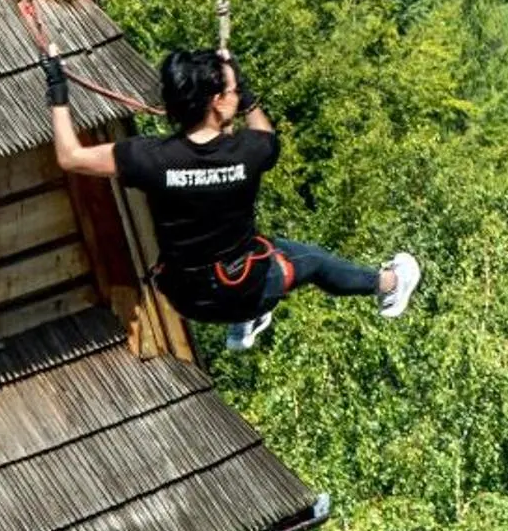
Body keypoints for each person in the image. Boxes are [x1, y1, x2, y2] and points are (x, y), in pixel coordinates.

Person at [44, 44, 419, 350]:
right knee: (312, 261)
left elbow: (70, 157)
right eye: (233, 92)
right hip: (245, 290)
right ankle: (391, 284)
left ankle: (245, 323)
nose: (237, 96)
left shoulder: (148, 158)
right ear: (217, 101)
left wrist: (58, 89)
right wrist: (249, 96)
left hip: (189, 300)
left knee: (249, 248)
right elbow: (267, 138)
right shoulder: (248, 151)